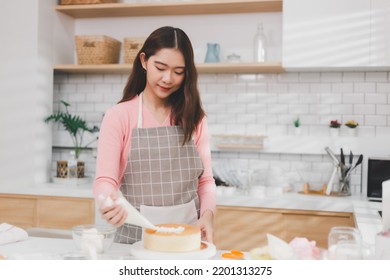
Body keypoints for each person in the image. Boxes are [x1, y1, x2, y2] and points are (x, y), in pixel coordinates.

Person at [93, 26, 216, 245]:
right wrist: (107, 202)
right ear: (144, 61)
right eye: (160, 67)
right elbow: (105, 180)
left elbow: (205, 181)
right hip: (134, 243)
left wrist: (208, 215)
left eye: (178, 72)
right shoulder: (118, 116)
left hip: (186, 242)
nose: (168, 78)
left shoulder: (195, 118)